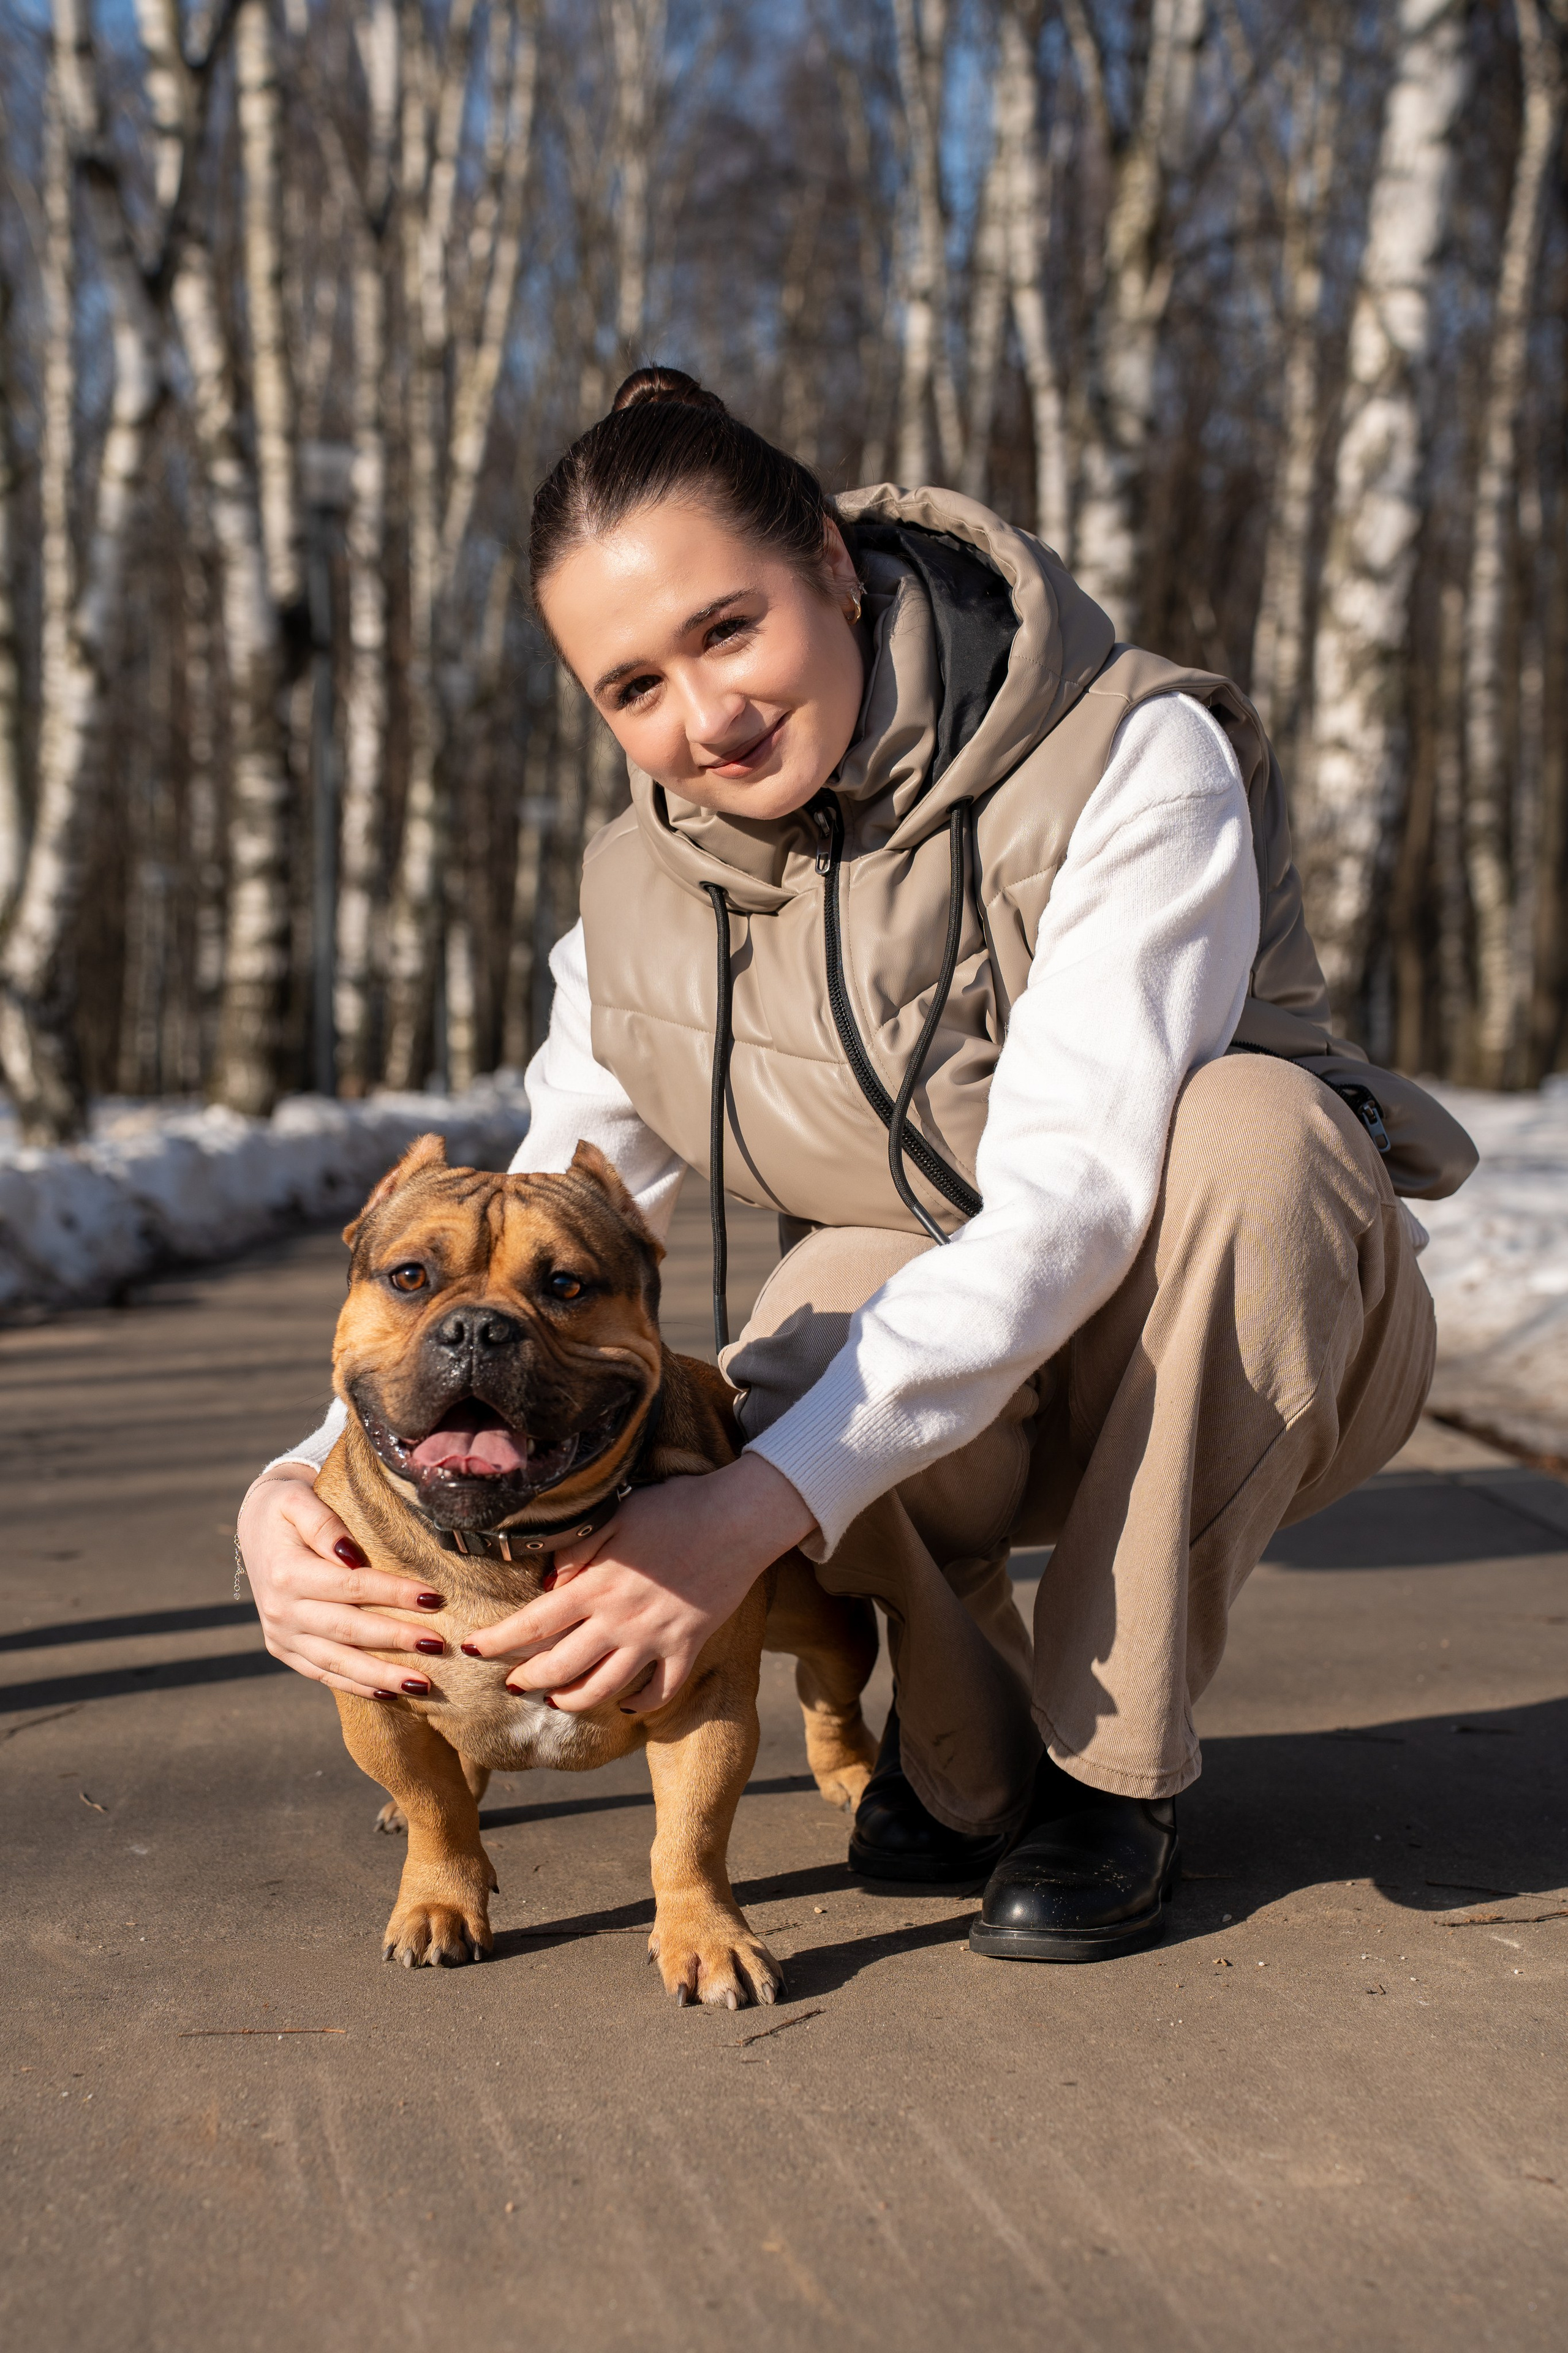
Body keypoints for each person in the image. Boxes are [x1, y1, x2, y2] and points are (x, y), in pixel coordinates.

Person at [236, 367, 1473, 1963]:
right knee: (806, 1312)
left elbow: (1078, 1206)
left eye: (726, 628)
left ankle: (1112, 1768)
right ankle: (968, 1754)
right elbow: (531, 1223)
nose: (701, 715)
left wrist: (747, 1512)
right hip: (980, 1397)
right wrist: (305, 1481)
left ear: (833, 559)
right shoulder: (640, 886)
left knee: (1250, 1130)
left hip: (1252, 1333)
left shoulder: (1131, 758)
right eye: (631, 687)